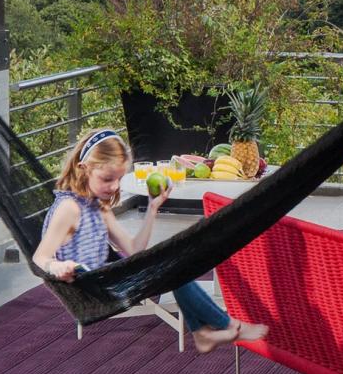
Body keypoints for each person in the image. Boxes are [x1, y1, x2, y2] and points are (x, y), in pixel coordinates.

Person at [34, 127, 270, 353]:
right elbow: (40, 257)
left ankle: (204, 332)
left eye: (117, 179)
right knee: (173, 266)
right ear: (83, 168)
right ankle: (221, 328)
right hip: (93, 288)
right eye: (107, 179)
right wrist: (56, 266)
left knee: (174, 263)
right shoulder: (69, 208)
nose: (114, 186)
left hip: (110, 277)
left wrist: (153, 207)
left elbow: (134, 249)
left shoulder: (97, 208)